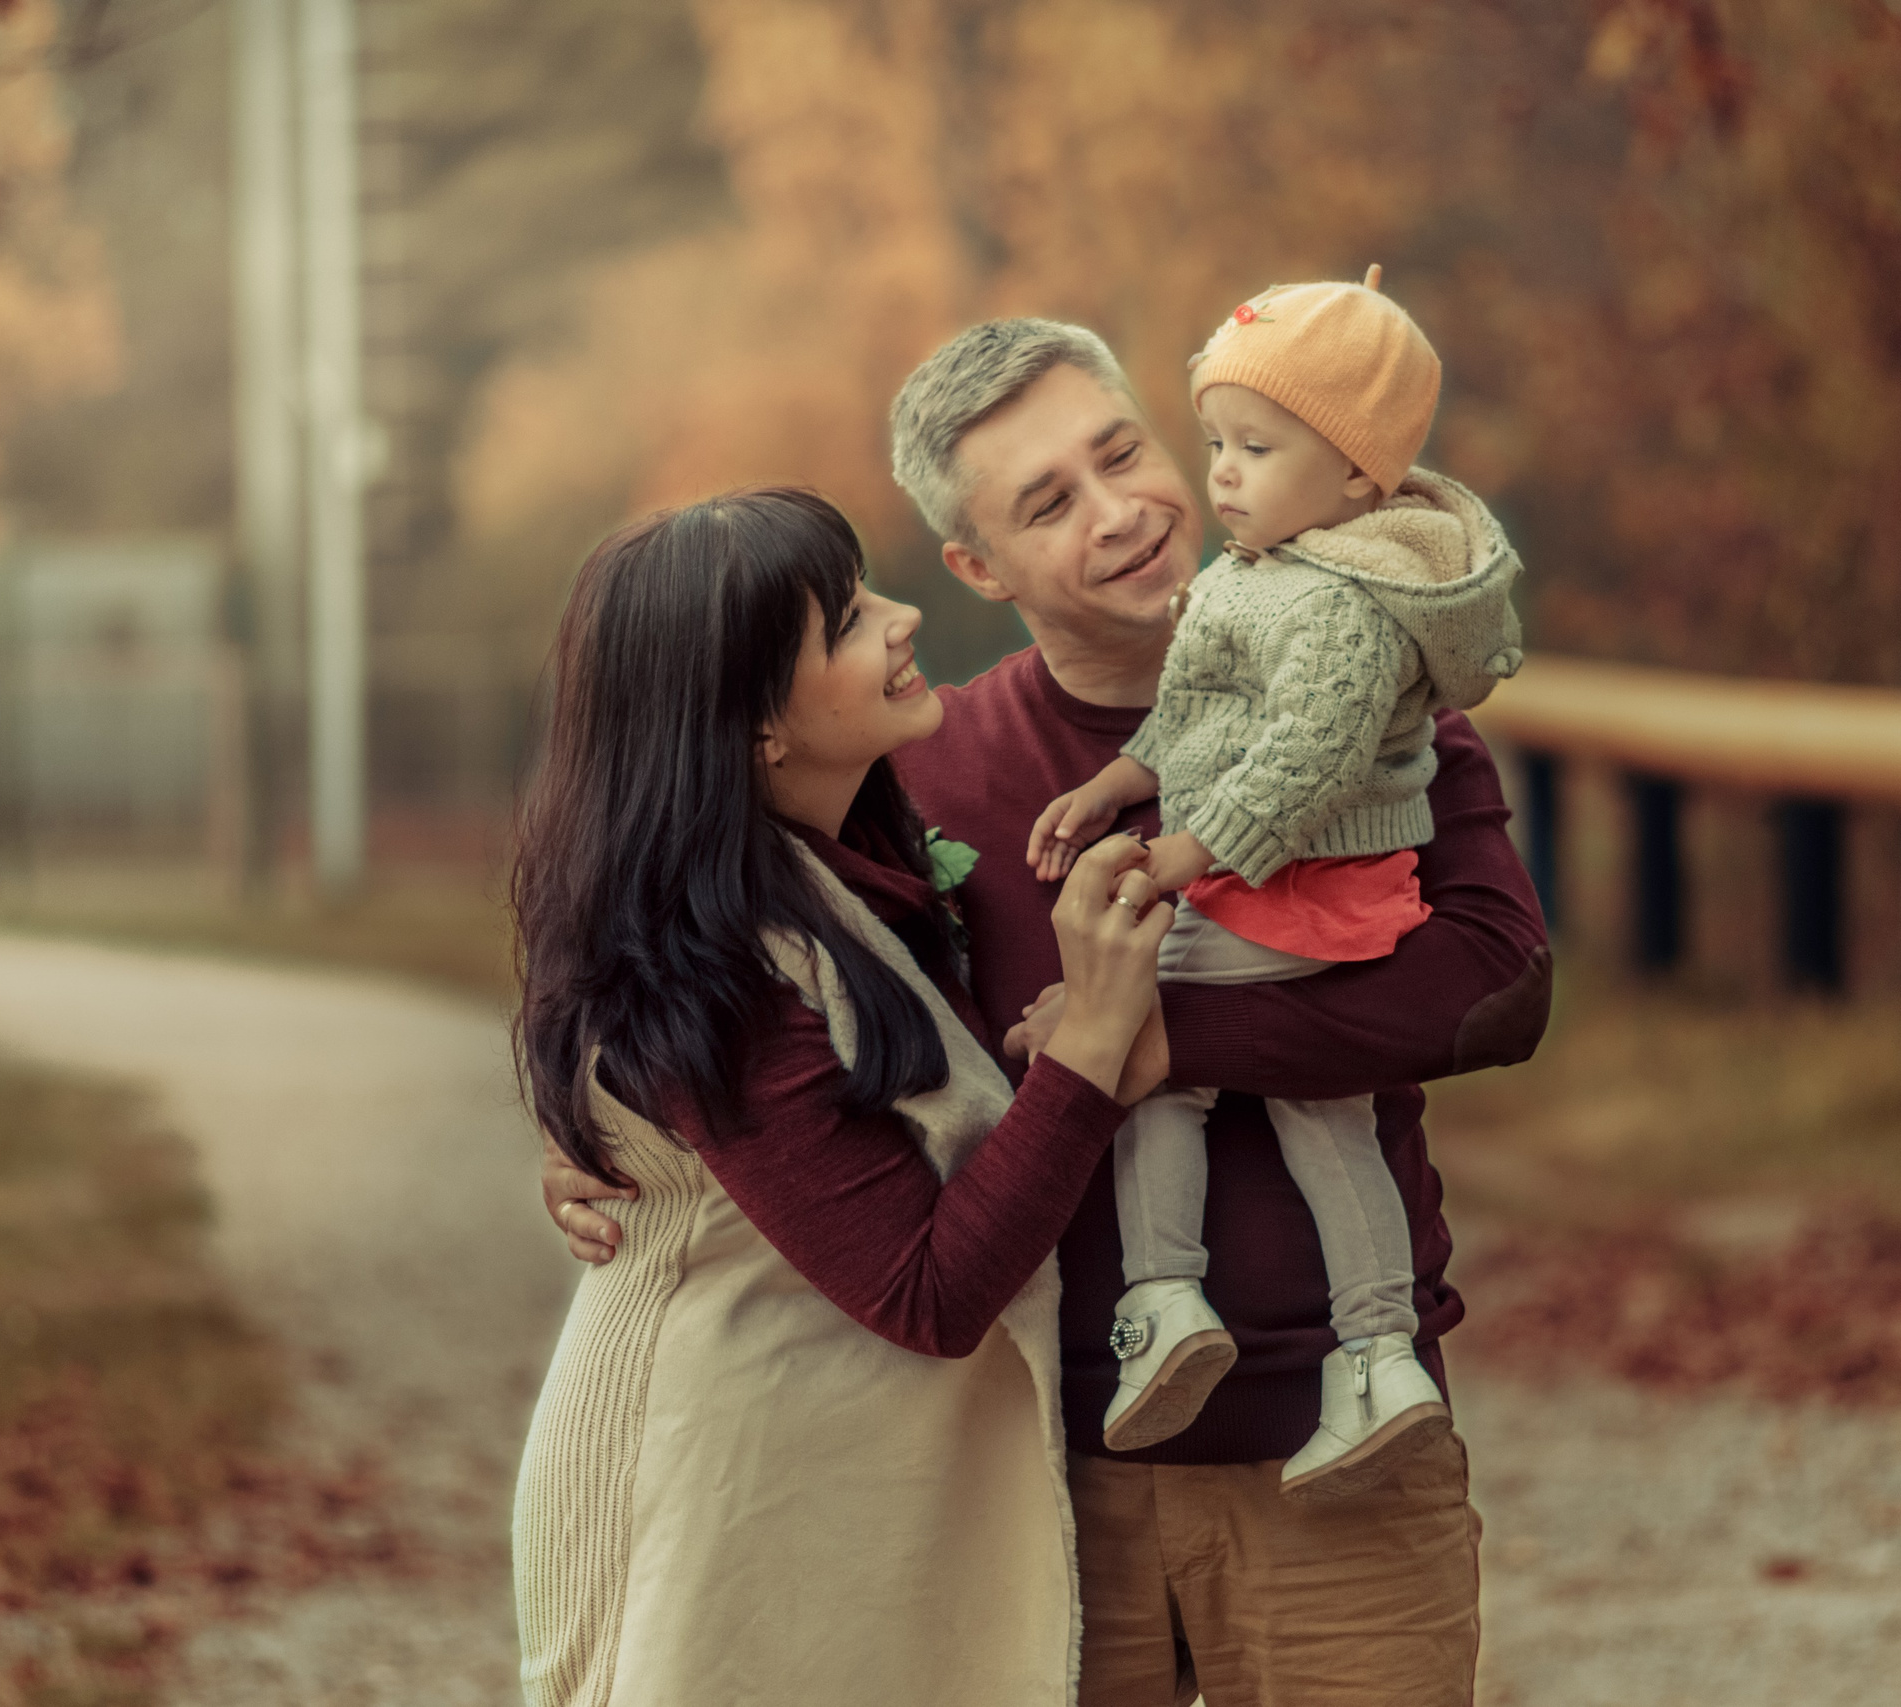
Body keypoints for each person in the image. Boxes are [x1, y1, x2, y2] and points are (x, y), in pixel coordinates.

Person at [545, 323, 1551, 1706]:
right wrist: (637, 1147)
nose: (1121, 511)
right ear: (976, 567)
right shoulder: (920, 769)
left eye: (1122, 451)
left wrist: (1155, 1041)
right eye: (1047, 501)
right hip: (1032, 1480)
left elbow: (1496, 983)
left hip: (1343, 1442)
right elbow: (742, 973)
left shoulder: (1376, 695)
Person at [508, 487, 1175, 1706]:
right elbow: (924, 1293)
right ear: (754, 723)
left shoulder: (849, 872)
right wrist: (1088, 1053)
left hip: (820, 1481)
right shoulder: (721, 966)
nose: (904, 617)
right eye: (852, 618)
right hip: (716, 1499)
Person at [1024, 269, 1525, 1498]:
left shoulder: (1344, 605)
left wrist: (1187, 852)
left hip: (1295, 890)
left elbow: (1303, 760)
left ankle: (1163, 1294)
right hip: (1272, 884)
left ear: (1358, 475)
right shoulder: (1257, 577)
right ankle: (1377, 1357)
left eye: (1257, 446)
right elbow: (1191, 717)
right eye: (1215, 444)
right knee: (1322, 1110)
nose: (1224, 474)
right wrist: (1118, 783)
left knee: (1146, 1059)